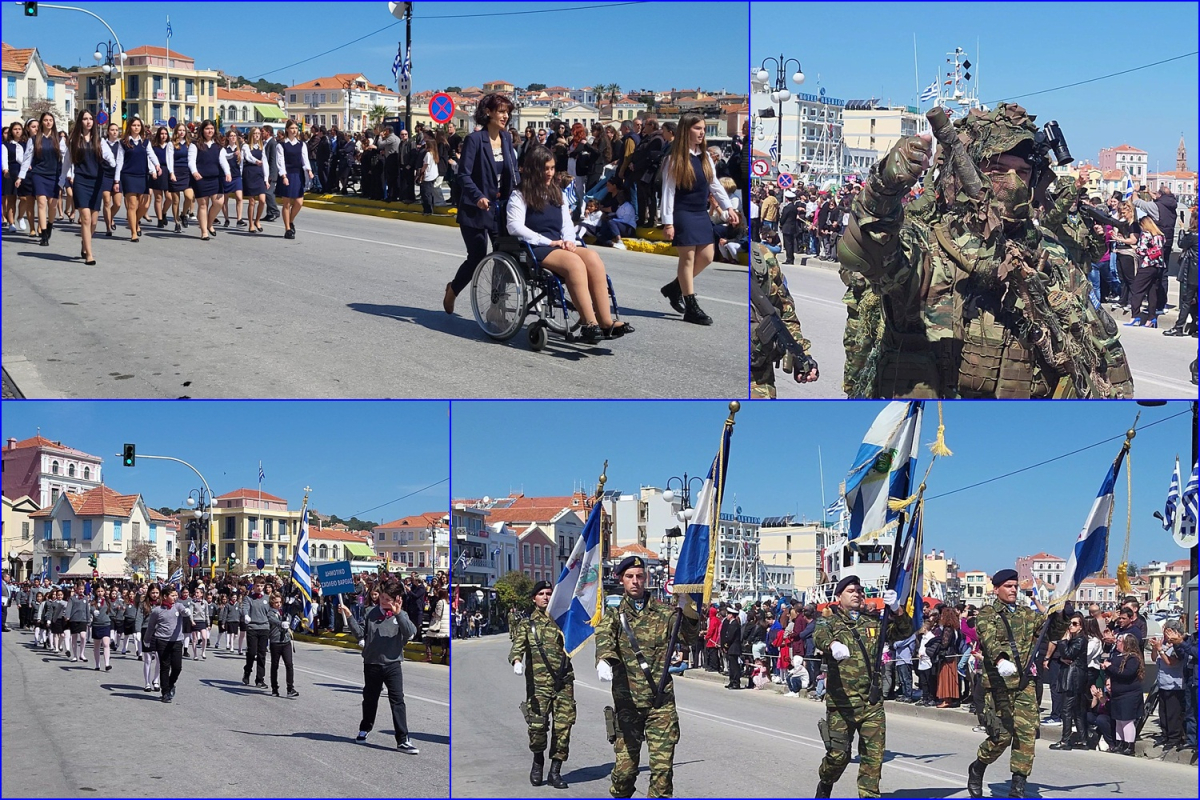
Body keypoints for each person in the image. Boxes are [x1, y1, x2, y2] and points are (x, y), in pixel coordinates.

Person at [839, 103, 1132, 399]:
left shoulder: (1051, 255)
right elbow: (866, 253)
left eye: (1023, 172)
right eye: (999, 170)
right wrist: (882, 192)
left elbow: (1103, 346)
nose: (1013, 182)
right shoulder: (932, 244)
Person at [595, 555, 697, 798]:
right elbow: (604, 638)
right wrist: (605, 659)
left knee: (662, 774)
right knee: (624, 774)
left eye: (640, 576)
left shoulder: (665, 613)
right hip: (627, 703)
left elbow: (689, 638)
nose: (635, 581)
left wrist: (689, 611)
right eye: (630, 577)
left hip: (659, 704)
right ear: (621, 580)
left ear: (646, 578)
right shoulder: (614, 613)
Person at [507, 144, 631, 343]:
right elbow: (515, 227)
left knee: (592, 257)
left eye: (552, 168)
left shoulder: (558, 193)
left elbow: (566, 223)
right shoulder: (520, 194)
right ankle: (589, 323)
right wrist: (549, 241)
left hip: (559, 243)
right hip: (537, 246)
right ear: (533, 169)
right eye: (545, 168)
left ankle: (606, 321)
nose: (549, 173)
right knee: (574, 264)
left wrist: (569, 242)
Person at [812, 575, 910, 799]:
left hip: (871, 702)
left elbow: (904, 632)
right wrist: (833, 644)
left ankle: (869, 795)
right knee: (838, 756)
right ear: (839, 596)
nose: (856, 593)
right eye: (850, 590)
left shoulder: (872, 621)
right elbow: (819, 636)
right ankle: (826, 781)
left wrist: (896, 609)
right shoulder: (829, 620)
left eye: (859, 590)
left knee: (873, 758)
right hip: (842, 702)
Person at [968, 569, 1045, 799]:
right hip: (998, 685)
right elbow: (988, 639)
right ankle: (978, 766)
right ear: (997, 589)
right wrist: (1000, 660)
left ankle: (1017, 788)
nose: (1013, 590)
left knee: (1026, 735)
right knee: (1001, 736)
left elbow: (1048, 631)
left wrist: (1060, 616)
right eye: (1008, 586)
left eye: (1015, 586)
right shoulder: (987, 614)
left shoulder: (1026, 614)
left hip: (1023, 684)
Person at [659, 113, 737, 326]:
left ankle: (675, 287)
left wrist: (728, 207)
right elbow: (668, 192)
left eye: (703, 128)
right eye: (697, 128)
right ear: (686, 131)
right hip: (682, 213)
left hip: (700, 213)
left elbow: (715, 185)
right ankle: (690, 306)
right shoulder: (674, 159)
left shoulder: (705, 158)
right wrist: (668, 222)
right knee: (688, 258)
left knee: (708, 256)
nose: (702, 132)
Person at [444, 94, 520, 314]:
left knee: (505, 258)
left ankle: (497, 306)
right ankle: (453, 289)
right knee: (476, 258)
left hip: (500, 209)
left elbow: (513, 173)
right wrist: (478, 197)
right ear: (488, 112)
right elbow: (464, 175)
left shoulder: (506, 139)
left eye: (508, 112)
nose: (506, 116)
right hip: (475, 209)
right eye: (501, 111)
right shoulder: (474, 140)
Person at [338, 578, 420, 754]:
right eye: (382, 597)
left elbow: (411, 633)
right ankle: (364, 728)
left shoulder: (402, 615)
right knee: (370, 699)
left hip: (393, 664)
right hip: (372, 663)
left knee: (397, 700)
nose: (384, 601)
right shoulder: (370, 613)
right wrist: (349, 616)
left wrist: (398, 614)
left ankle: (403, 739)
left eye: (388, 599)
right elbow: (360, 633)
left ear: (397, 599)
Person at [510, 580, 575, 789]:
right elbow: (516, 648)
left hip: (563, 683)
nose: (546, 597)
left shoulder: (564, 621)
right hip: (538, 686)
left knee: (563, 727)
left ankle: (555, 771)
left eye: (549, 593)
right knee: (538, 728)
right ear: (534, 598)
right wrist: (517, 662)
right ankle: (538, 762)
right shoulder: (527, 625)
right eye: (541, 594)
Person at [63, 110, 114, 265]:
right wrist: (61, 181)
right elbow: (66, 162)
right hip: (81, 181)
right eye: (85, 119)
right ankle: (90, 255)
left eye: (90, 119)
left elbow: (109, 156)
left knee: (93, 221)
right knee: (85, 218)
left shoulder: (100, 141)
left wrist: (112, 163)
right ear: (81, 122)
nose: (88, 122)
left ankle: (85, 243)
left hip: (97, 182)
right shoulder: (74, 141)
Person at [15, 111, 67, 247]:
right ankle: (43, 234)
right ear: (41, 123)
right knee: (42, 203)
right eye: (45, 120)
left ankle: (50, 224)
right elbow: (27, 159)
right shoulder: (34, 140)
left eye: (51, 120)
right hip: (39, 174)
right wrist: (21, 176)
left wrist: (69, 175)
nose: (48, 122)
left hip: (54, 175)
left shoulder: (58, 139)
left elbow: (67, 158)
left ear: (53, 122)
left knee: (52, 205)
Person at [1048, 613, 1088, 750]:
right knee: (1076, 710)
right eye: (1070, 623)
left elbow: (1069, 654)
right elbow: (1065, 657)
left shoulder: (1080, 640)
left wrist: (1064, 641)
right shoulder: (1075, 639)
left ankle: (1065, 740)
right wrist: (1061, 658)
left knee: (1066, 709)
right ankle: (1083, 740)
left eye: (1075, 624)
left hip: (1074, 677)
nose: (1071, 626)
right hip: (1071, 674)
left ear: (1081, 626)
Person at [145, 585, 189, 703]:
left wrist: (187, 611)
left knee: (177, 668)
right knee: (165, 666)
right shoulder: (157, 611)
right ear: (165, 596)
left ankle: (170, 684)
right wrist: (147, 639)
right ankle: (165, 692)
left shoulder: (178, 606)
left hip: (176, 641)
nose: (175, 597)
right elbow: (150, 627)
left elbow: (184, 612)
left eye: (176, 595)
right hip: (162, 641)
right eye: (172, 595)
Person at [1102, 633, 1145, 755]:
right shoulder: (1116, 656)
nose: (1117, 642)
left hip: (1129, 694)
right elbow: (1112, 670)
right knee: (1118, 720)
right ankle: (1119, 744)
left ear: (1127, 643)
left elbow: (1126, 674)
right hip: (1117, 694)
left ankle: (1129, 746)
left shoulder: (1133, 658)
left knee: (1127, 720)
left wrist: (1109, 667)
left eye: (1120, 640)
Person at [188, 120, 230, 241]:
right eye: (207, 128)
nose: (210, 131)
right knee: (203, 204)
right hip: (200, 179)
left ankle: (209, 223)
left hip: (215, 179)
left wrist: (227, 173)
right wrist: (194, 172)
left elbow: (223, 161)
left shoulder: (218, 146)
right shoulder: (195, 144)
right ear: (202, 130)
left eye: (212, 128)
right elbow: (191, 161)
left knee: (219, 202)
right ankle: (204, 231)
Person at [273, 120, 313, 240]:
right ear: (287, 129)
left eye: (296, 128)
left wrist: (309, 170)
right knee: (287, 203)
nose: (294, 130)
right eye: (292, 128)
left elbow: (305, 159)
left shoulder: (302, 144)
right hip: (287, 174)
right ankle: (287, 229)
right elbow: (280, 161)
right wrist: (283, 176)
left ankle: (290, 221)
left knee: (299, 202)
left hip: (298, 174)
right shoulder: (281, 144)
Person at [1151, 620, 1185, 751]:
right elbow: (1154, 659)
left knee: (1173, 714)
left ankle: (1174, 738)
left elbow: (1171, 662)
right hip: (1163, 683)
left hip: (1175, 685)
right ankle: (1165, 735)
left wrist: (1161, 650)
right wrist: (1156, 648)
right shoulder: (1164, 644)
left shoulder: (1178, 646)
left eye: (1168, 631)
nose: (1165, 635)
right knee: (1163, 713)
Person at [1164, 207, 1197, 337]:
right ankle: (1195, 326)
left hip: (1192, 272)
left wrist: (1182, 229)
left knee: (1186, 301)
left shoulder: (1193, 236)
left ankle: (1178, 327)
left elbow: (1181, 244)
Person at [267, 592, 298, 698]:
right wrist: (281, 623)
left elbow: (299, 608)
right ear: (272, 603)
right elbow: (273, 621)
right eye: (276, 602)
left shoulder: (285, 611)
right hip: (275, 642)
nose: (278, 604)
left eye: (280, 602)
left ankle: (290, 688)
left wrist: (293, 601)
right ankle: (274, 688)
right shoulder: (270, 613)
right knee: (274, 666)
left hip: (286, 641)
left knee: (289, 664)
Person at [241, 580, 270, 688]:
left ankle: (259, 679)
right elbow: (245, 608)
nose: (259, 588)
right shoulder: (249, 598)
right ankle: (247, 671)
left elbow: (271, 611)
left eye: (262, 586)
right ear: (253, 586)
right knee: (252, 653)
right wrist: (246, 615)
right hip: (252, 628)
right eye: (257, 585)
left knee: (262, 654)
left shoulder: (267, 599)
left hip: (264, 628)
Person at [241, 127, 270, 233]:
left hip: (259, 174)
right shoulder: (246, 146)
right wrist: (256, 161)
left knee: (262, 200)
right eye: (255, 133)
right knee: (252, 201)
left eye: (258, 133)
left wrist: (266, 179)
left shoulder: (262, 147)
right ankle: (251, 224)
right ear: (251, 135)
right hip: (249, 173)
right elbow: (248, 157)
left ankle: (257, 220)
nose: (257, 135)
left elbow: (265, 163)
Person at [165, 123, 193, 233]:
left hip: (186, 172)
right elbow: (169, 159)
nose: (182, 132)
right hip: (175, 172)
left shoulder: (189, 144)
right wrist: (171, 173)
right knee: (175, 200)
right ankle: (176, 222)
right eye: (180, 130)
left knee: (189, 196)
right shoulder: (171, 144)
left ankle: (183, 214)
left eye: (183, 130)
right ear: (176, 132)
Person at [219, 128, 245, 228]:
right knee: (225, 199)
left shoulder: (240, 149)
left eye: (234, 136)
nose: (233, 137)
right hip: (226, 176)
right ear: (228, 138)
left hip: (237, 176)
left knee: (239, 197)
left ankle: (239, 219)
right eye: (231, 136)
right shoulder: (224, 149)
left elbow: (241, 164)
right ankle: (226, 219)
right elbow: (225, 157)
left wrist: (241, 175)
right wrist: (233, 154)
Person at [720, 604, 743, 690]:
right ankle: (732, 681)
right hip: (731, 648)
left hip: (734, 647)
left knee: (734, 666)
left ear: (732, 615)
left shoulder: (734, 624)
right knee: (731, 666)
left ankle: (736, 682)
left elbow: (730, 637)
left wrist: (726, 645)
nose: (727, 615)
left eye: (729, 614)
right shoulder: (730, 623)